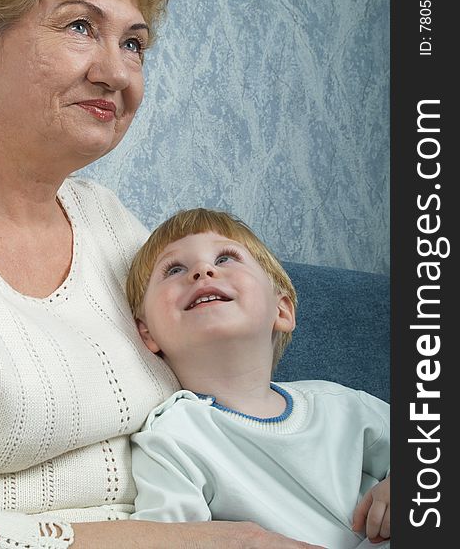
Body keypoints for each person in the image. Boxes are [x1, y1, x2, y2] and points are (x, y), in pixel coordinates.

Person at [0, 0, 330, 548]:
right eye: (80, 27)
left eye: (134, 44)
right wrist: (215, 544)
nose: (117, 74)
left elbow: (243, 396)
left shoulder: (113, 226)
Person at [126, 208, 391, 549]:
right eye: (174, 269)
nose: (202, 271)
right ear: (147, 332)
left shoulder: (339, 403)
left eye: (226, 258)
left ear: (281, 310)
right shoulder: (173, 436)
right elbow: (168, 539)